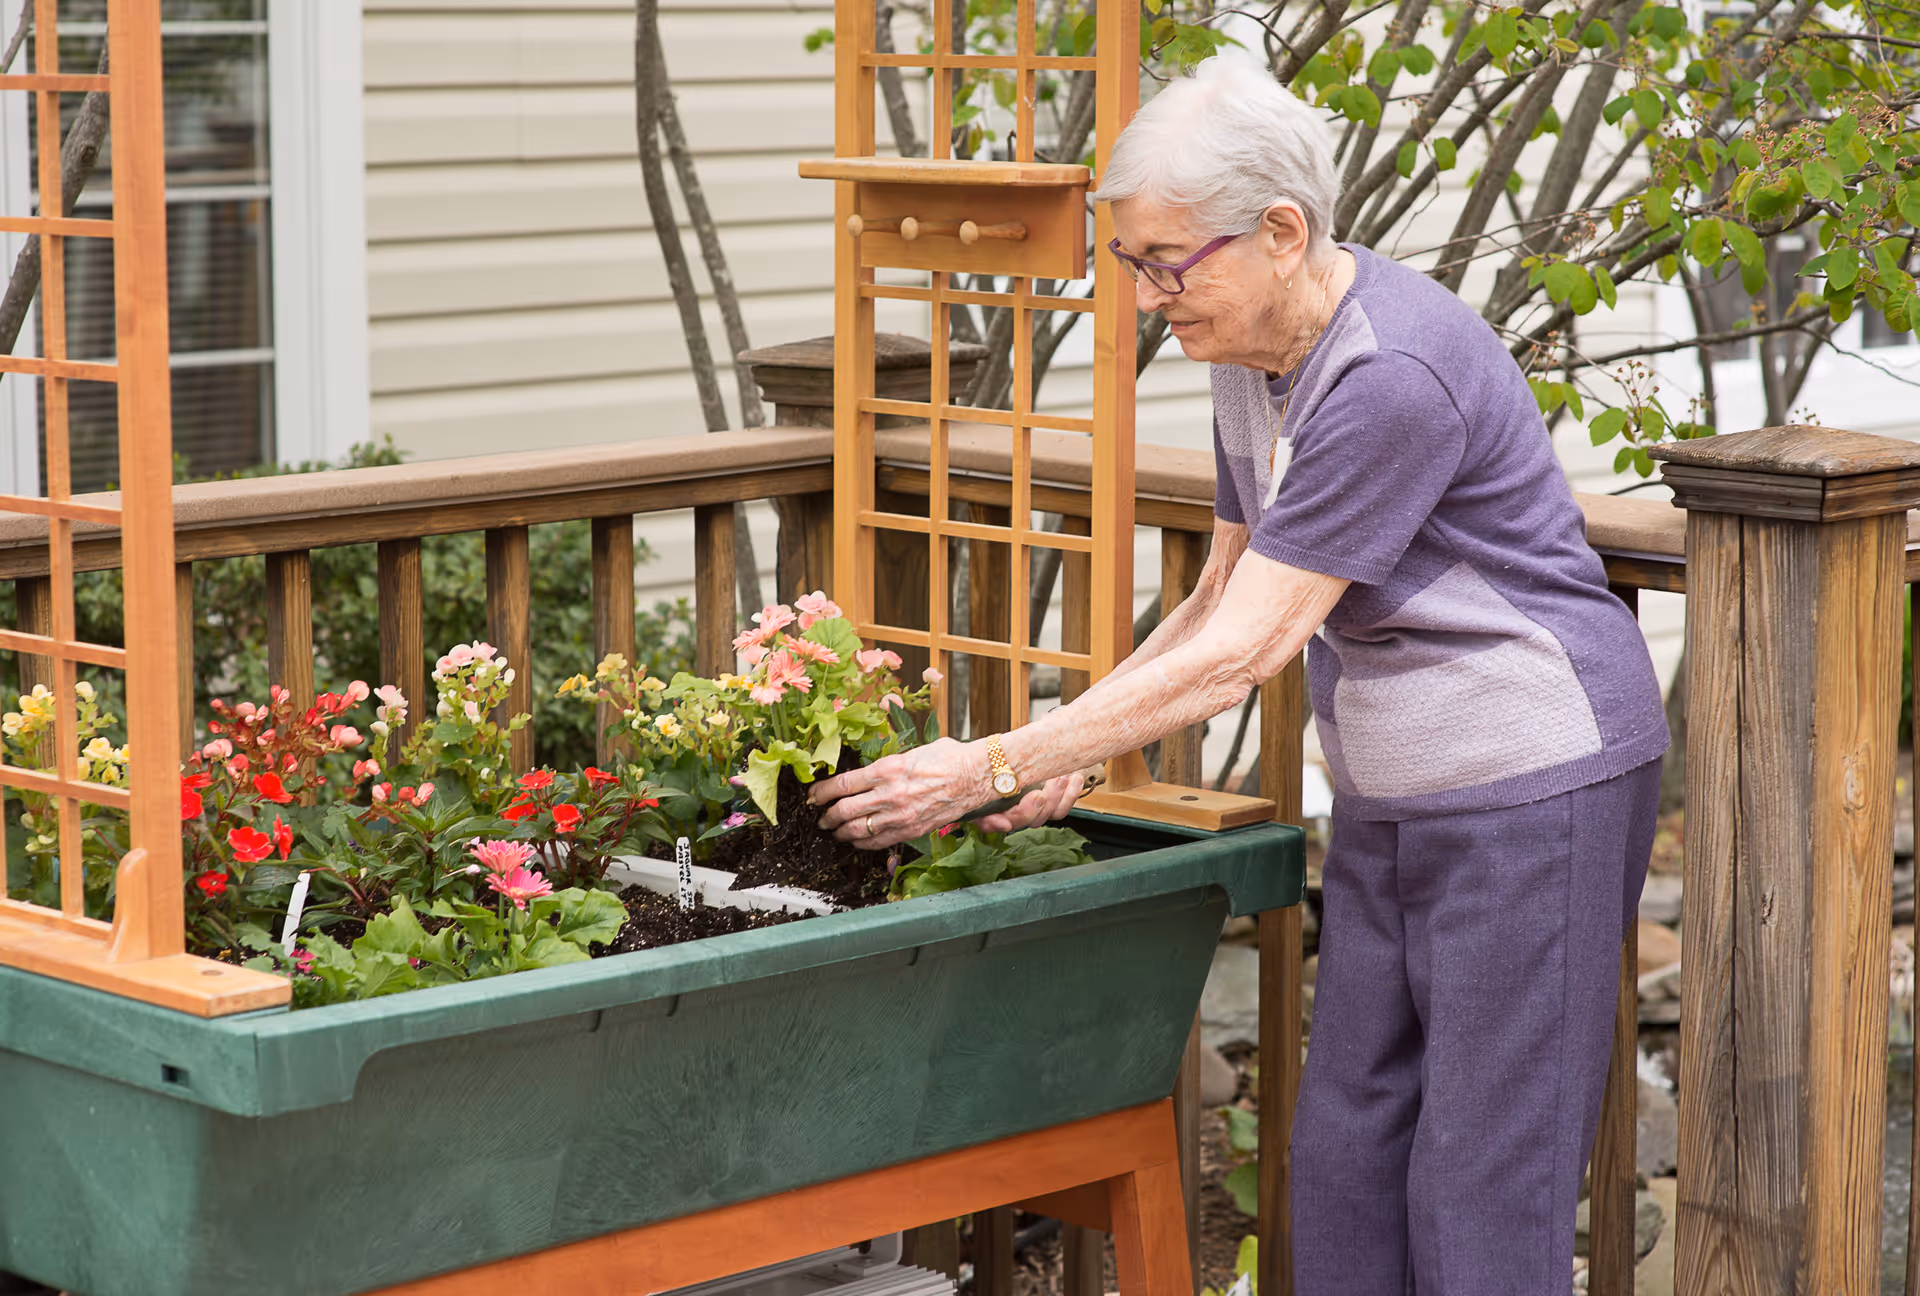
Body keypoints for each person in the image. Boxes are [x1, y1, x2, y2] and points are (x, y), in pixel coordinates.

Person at [808, 53, 1667, 1293]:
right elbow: (1216, 597)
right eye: (1133, 264)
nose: (1152, 295)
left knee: (1483, 1184)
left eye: (1169, 261)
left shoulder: (1388, 376)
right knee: (1342, 1163)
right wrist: (1076, 749)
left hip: (1537, 790)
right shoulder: (1244, 352)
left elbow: (1255, 649)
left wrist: (992, 763)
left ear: (1282, 231)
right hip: (1393, 802)